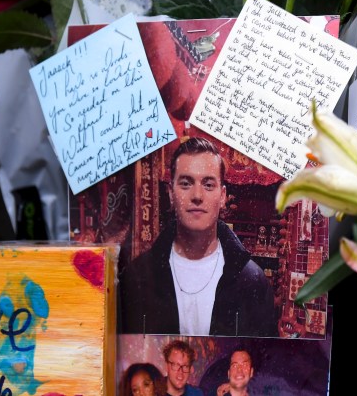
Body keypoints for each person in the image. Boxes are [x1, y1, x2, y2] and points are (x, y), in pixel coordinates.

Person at [119, 136, 277, 337]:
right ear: (170, 193)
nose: (197, 195)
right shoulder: (137, 277)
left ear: (222, 196)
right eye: (186, 183)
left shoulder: (253, 282)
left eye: (208, 185)